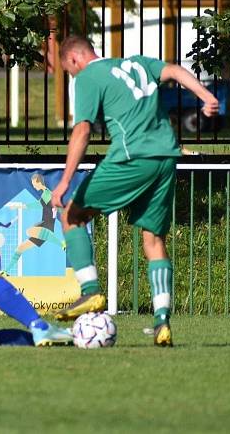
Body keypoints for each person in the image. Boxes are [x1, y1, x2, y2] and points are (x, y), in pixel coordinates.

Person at [50, 36, 219, 346]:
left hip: (131, 157)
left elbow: (83, 129)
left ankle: (90, 293)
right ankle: (162, 322)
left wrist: (64, 180)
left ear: (74, 60)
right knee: (153, 239)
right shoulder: (137, 64)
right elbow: (174, 70)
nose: (73, 76)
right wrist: (204, 94)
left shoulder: (88, 76)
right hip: (166, 157)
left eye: (69, 71)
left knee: (71, 216)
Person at [8, 174, 65, 274]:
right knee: (20, 248)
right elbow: (39, 205)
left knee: (29, 230)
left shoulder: (48, 194)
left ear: (39, 182)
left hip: (47, 226)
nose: (34, 186)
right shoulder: (45, 194)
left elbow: (58, 207)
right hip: (43, 226)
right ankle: (6, 271)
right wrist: (22, 206)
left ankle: (61, 244)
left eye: (34, 184)